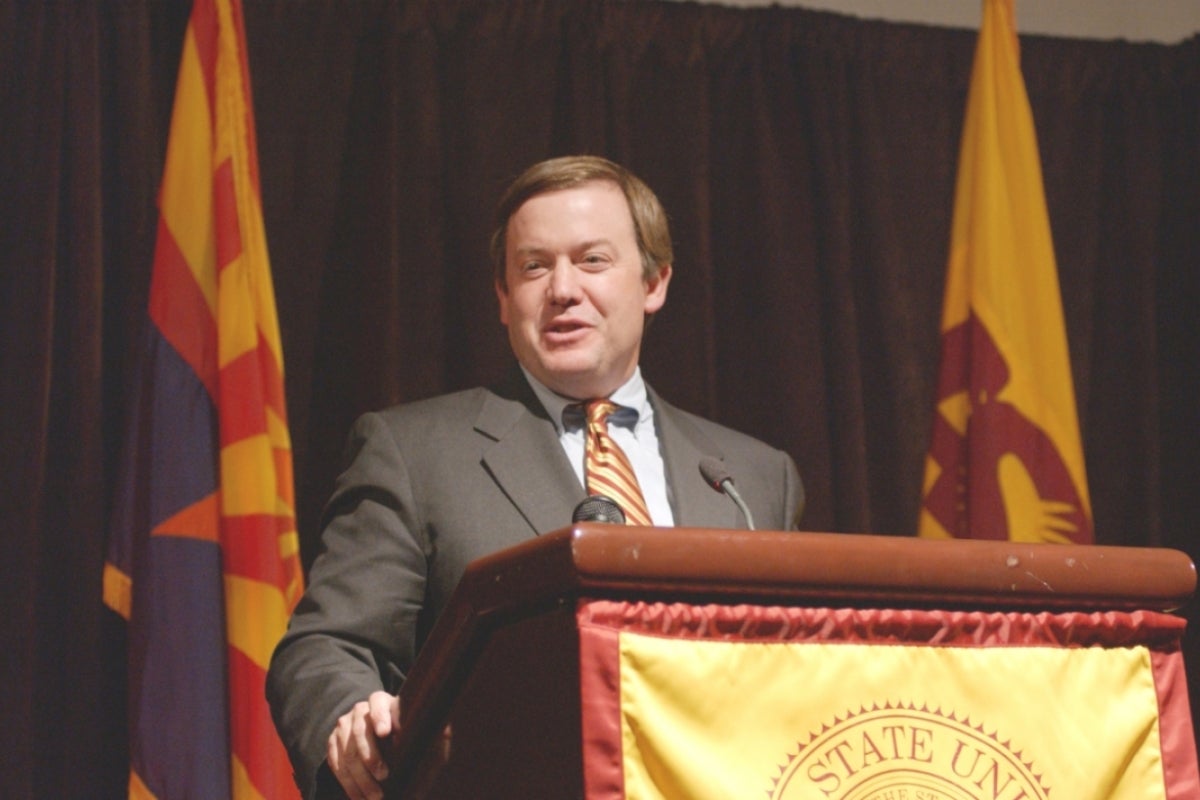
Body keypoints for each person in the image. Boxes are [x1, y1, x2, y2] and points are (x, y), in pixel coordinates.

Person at [266, 155, 805, 799]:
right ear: (502, 296)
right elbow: (324, 646)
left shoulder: (752, 477)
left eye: (592, 261)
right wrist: (349, 720)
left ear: (655, 281)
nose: (562, 289)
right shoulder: (414, 452)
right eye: (533, 266)